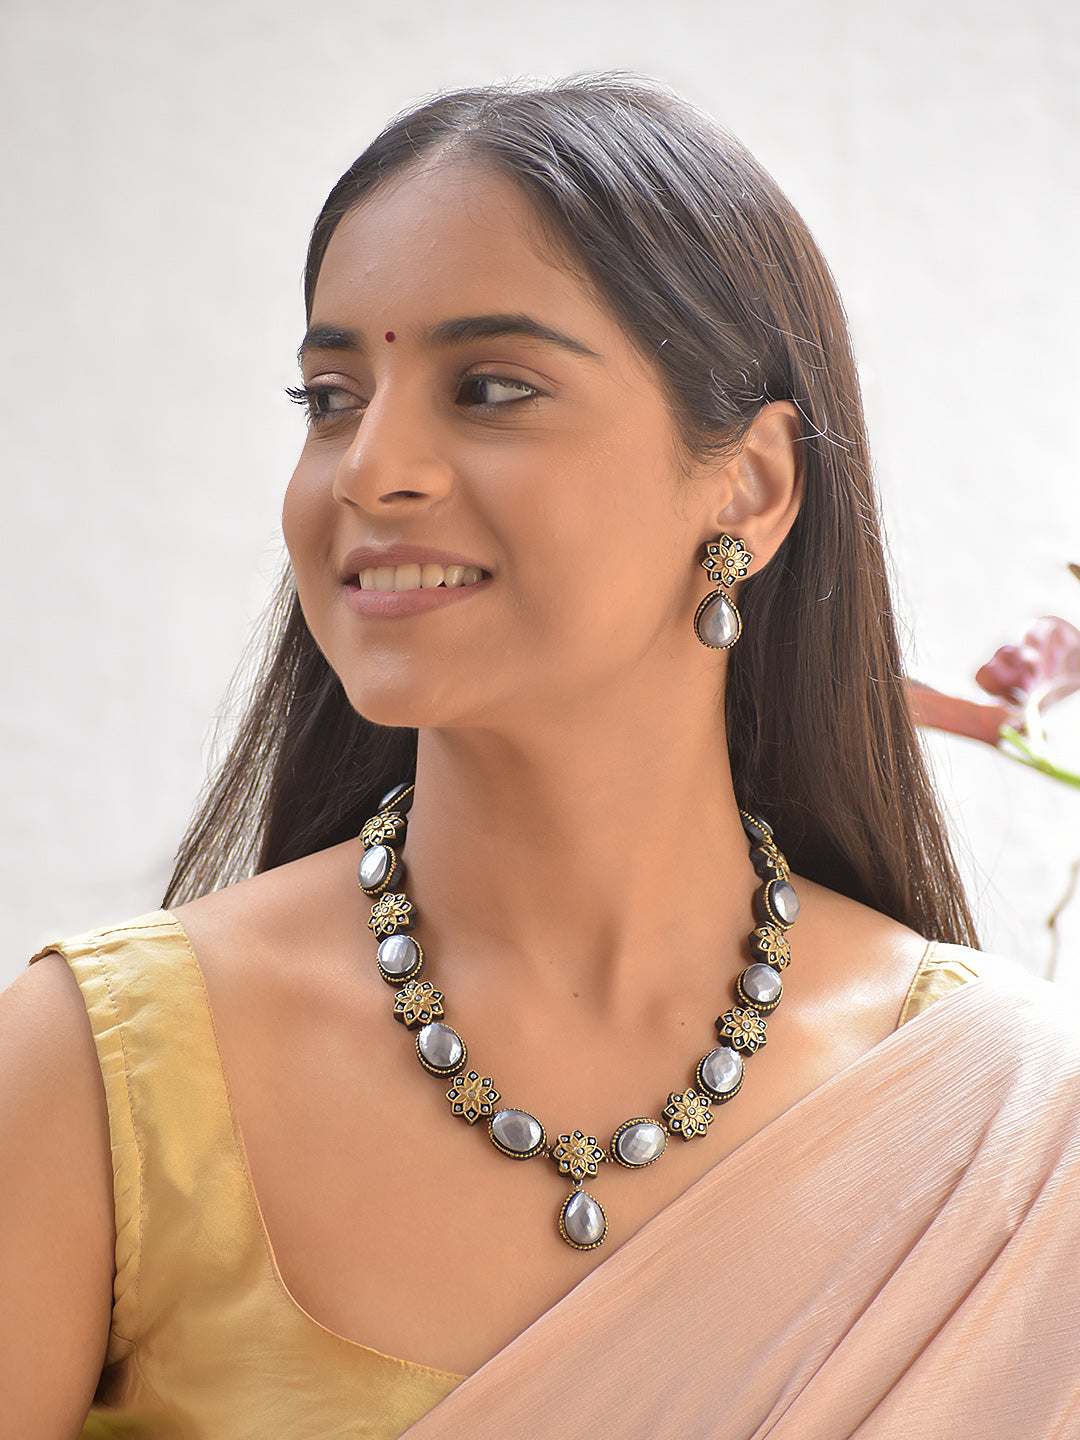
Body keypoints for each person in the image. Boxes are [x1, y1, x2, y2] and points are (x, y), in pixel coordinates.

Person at [3, 76, 1078, 1440]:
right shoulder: (98, 1078)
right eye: (331, 397)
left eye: (493, 388)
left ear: (748, 486)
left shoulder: (1013, 1131)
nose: (369, 468)